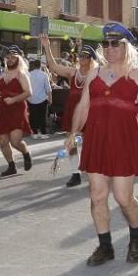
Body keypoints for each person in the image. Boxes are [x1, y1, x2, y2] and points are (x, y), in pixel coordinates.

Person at [66, 23, 138, 266]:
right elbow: (83, 106)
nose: (108, 48)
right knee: (97, 195)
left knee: (123, 197)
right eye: (105, 44)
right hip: (96, 140)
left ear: (126, 46)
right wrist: (73, 133)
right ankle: (105, 246)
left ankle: (136, 236)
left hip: (124, 141)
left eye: (114, 43)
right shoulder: (94, 74)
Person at [41, 35, 98, 187]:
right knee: (71, 142)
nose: (80, 58)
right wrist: (47, 47)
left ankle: (94, 171)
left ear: (91, 59)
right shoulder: (73, 73)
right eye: (79, 55)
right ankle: (75, 173)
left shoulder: (97, 75)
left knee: (89, 143)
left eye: (84, 56)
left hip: (89, 112)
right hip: (73, 111)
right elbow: (53, 66)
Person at [0, 45, 33, 176]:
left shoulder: (22, 75)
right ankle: (11, 166)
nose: (10, 59)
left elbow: (28, 92)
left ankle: (26, 153)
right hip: (3, 111)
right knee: (3, 141)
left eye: (13, 57)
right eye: (8, 57)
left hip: (17, 109)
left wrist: (14, 99)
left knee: (15, 141)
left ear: (18, 59)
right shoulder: (1, 76)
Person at [27, 58, 52, 139]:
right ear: (40, 66)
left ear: (34, 65)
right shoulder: (44, 74)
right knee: (42, 116)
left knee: (33, 116)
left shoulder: (29, 74)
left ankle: (34, 132)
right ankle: (43, 132)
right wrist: (50, 99)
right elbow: (48, 88)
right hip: (42, 98)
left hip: (31, 98)